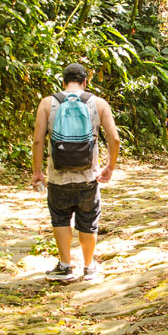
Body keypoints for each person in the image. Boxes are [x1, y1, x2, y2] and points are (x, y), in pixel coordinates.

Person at [32, 63, 120, 282]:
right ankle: (89, 267)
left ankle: (65, 266)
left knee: (60, 218)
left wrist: (37, 172)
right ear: (85, 81)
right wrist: (110, 167)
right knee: (88, 220)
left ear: (63, 82)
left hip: (57, 176)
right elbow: (114, 138)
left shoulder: (47, 103)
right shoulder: (98, 103)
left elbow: (38, 140)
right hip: (89, 176)